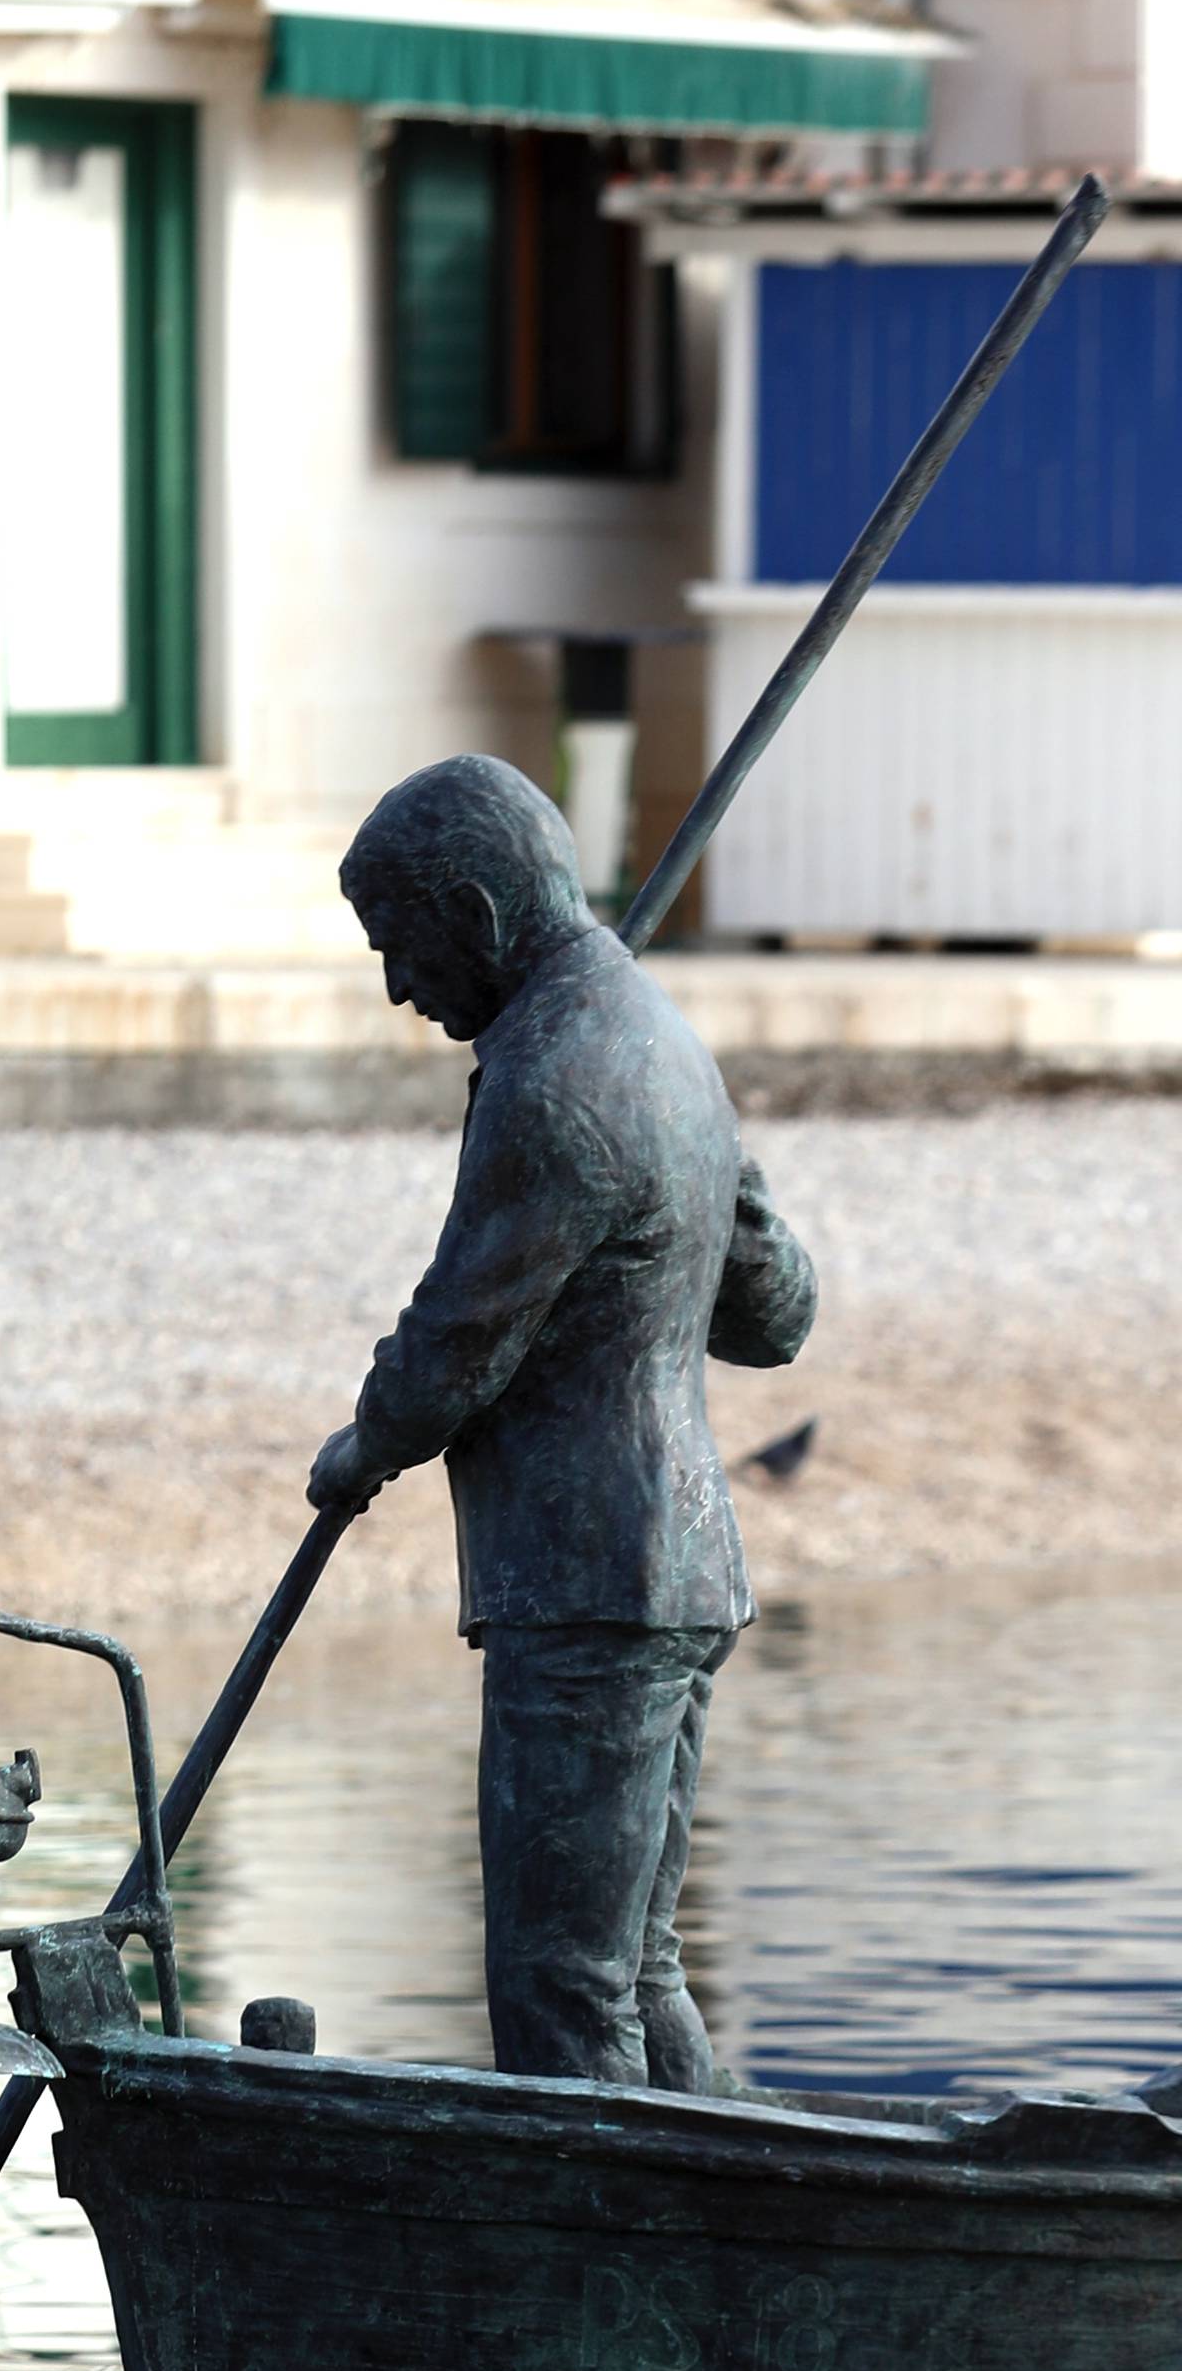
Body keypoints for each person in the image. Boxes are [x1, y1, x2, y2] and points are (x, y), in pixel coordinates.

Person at [309, 753, 817, 2092]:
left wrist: (363, 1444)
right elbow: (778, 1312)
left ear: (475, 916)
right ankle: (723, 2239)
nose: (399, 989)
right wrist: (703, 1174)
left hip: (589, 1588)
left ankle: (604, 2268)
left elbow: (458, 1337)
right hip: (683, 1574)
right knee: (636, 1966)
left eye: (399, 946)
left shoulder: (553, 1072)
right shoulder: (664, 1045)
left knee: (561, 1982)